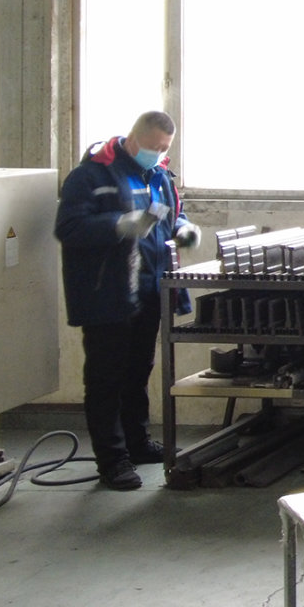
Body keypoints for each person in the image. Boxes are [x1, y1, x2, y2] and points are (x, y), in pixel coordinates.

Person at [54, 111, 200, 491]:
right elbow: (68, 227)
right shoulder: (91, 176)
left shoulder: (159, 176)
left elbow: (171, 216)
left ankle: (137, 441)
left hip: (149, 289)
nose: (158, 153)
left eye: (164, 148)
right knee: (107, 377)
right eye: (153, 147)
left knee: (138, 371)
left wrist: (183, 228)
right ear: (133, 139)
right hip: (107, 293)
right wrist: (118, 225)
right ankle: (112, 459)